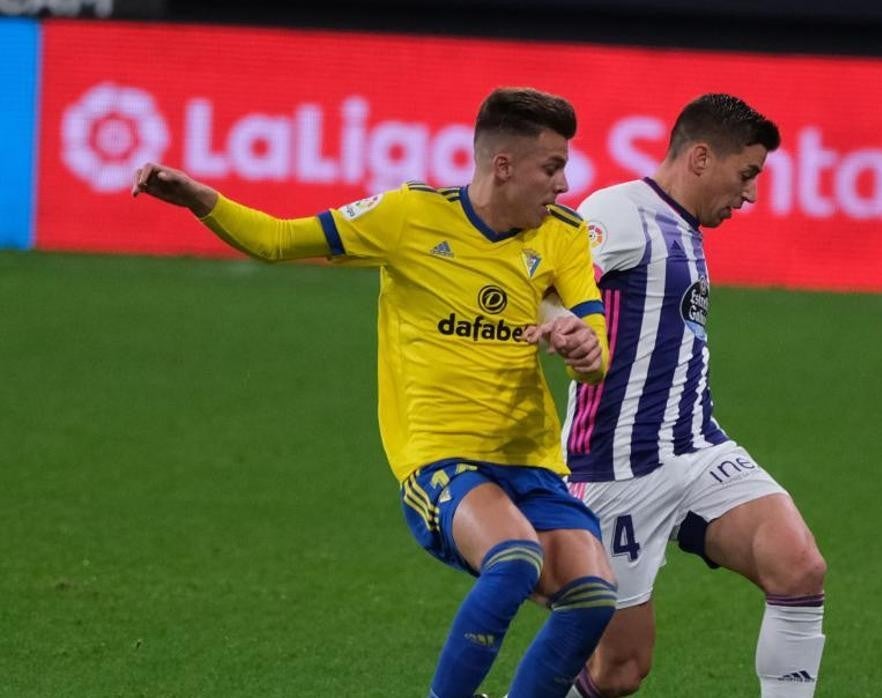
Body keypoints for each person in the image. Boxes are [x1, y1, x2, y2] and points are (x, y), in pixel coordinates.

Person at [132, 87, 619, 698]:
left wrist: (583, 346)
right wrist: (201, 199)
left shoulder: (565, 236)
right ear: (504, 165)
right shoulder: (409, 216)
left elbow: (593, 346)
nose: (565, 185)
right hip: (441, 458)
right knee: (515, 558)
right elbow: (279, 240)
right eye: (552, 167)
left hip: (532, 460)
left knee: (592, 599)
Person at [549, 94, 827, 697]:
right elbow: (547, 277)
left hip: (697, 448)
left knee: (798, 566)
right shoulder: (620, 211)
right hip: (616, 468)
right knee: (619, 671)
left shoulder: (685, 226)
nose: (750, 194)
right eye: (745, 174)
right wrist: (561, 322)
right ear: (701, 157)